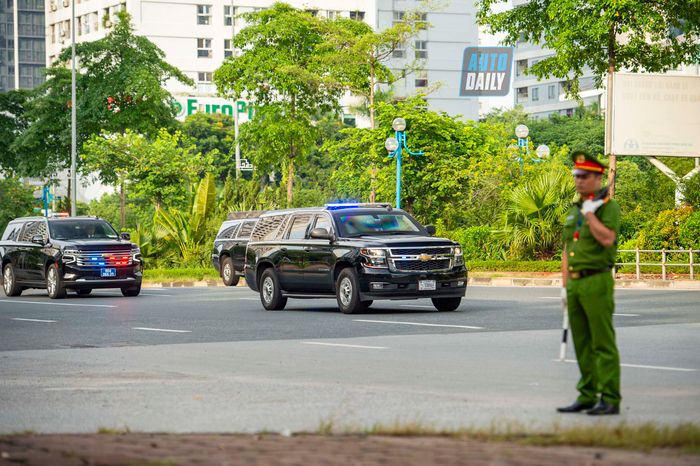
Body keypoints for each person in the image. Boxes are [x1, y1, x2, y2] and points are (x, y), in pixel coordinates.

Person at [558, 150, 622, 416]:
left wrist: (592, 215)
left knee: (602, 343)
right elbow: (566, 249)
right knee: (582, 343)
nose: (579, 181)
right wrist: (563, 286)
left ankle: (609, 398)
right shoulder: (575, 210)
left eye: (585, 176)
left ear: (598, 178)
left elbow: (607, 239)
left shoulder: (608, 207)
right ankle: (587, 394)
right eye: (577, 176)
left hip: (596, 280)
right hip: (574, 284)